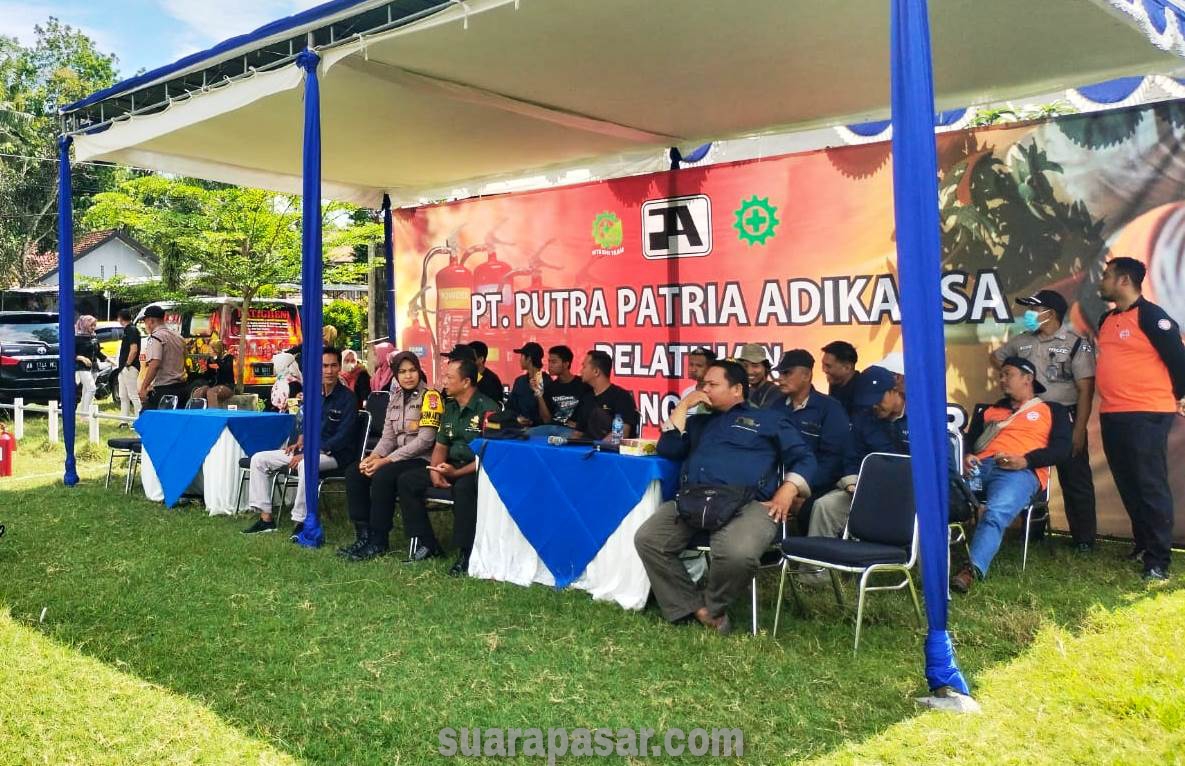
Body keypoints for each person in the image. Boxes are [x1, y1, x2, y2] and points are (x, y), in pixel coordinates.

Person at [634, 360, 816, 634]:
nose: (703, 389)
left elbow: (805, 459)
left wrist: (788, 490)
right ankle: (696, 608)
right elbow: (669, 448)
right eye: (702, 384)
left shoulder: (769, 419)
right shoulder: (698, 422)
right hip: (695, 499)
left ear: (737, 389)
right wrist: (683, 406)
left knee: (738, 554)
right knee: (649, 539)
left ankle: (714, 606)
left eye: (712, 384)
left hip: (749, 503)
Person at [1094, 257, 1185, 581]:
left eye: (1107, 275)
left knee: (1149, 484)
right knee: (1129, 484)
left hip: (1147, 413)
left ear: (1124, 281)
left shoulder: (1152, 317)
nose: (1101, 280)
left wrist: (1173, 397)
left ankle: (1159, 560)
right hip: (1113, 413)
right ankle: (1144, 544)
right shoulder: (1107, 319)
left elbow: (1179, 361)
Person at [951, 357, 1071, 593]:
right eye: (1001, 375)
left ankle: (970, 570)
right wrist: (965, 456)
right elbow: (966, 441)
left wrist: (1026, 460)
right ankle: (917, 555)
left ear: (1028, 378)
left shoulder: (1052, 410)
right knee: (937, 494)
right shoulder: (989, 410)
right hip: (979, 467)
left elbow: (1062, 450)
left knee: (996, 511)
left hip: (1019, 472)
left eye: (1007, 374)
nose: (1001, 379)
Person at [992, 289, 1097, 552]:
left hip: (1064, 414)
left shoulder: (1076, 343)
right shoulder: (1022, 341)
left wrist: (1080, 428)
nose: (1029, 314)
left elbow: (1086, 388)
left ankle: (1084, 540)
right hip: (1030, 416)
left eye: (1034, 309)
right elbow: (996, 357)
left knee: (1075, 477)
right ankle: (1033, 530)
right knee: (1028, 469)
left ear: (1049, 313)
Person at [397, 357, 500, 575]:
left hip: (477, 468)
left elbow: (489, 455)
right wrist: (435, 471)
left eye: (449, 377)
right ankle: (428, 543)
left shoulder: (489, 409)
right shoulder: (450, 408)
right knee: (407, 481)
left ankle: (466, 553)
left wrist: (456, 472)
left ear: (466, 382)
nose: (444, 381)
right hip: (449, 465)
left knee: (463, 488)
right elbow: (441, 445)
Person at [244, 348, 359, 537]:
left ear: (339, 367)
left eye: (333, 366)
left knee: (306, 465)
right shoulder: (314, 397)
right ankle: (266, 519)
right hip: (309, 450)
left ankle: (302, 521)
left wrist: (310, 452)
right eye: (324, 366)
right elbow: (307, 424)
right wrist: (300, 441)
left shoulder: (348, 398)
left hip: (336, 455)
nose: (328, 371)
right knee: (259, 459)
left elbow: (343, 437)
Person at [341, 351, 444, 560]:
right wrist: (374, 457)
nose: (408, 376)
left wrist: (385, 460)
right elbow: (388, 437)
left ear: (419, 371)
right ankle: (364, 534)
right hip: (396, 457)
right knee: (355, 471)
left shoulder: (430, 397)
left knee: (383, 475)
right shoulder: (394, 398)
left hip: (421, 459)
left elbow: (425, 440)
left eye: (412, 370)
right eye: (402, 372)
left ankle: (379, 540)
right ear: (395, 375)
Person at [807, 366, 907, 539]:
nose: (874, 405)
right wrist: (851, 483)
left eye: (878, 399)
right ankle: (814, 566)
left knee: (926, 513)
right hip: (866, 489)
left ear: (894, 390)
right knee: (824, 505)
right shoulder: (863, 418)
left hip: (910, 493)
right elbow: (851, 457)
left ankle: (929, 565)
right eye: (868, 401)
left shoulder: (922, 417)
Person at [771, 349, 850, 530]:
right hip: (777, 484)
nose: (780, 378)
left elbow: (833, 459)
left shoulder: (830, 408)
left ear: (806, 375)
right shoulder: (774, 407)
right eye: (779, 373)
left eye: (787, 373)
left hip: (816, 486)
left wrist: (798, 488)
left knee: (812, 508)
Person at [572, 349, 639, 440]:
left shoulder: (621, 397)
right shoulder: (586, 398)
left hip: (609, 452)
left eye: (584, 367)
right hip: (586, 450)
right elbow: (578, 433)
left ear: (596, 371)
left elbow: (621, 433)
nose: (581, 371)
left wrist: (599, 447)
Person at [531, 344, 590, 437]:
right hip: (552, 428)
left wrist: (580, 426)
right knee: (526, 435)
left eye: (554, 362)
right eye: (549, 362)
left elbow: (591, 413)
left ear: (566, 364)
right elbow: (546, 420)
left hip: (572, 431)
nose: (550, 365)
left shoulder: (583, 385)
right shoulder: (550, 387)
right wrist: (539, 394)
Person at [138, 305, 188, 409]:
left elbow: (155, 364)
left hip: (164, 389)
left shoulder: (156, 337)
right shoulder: (178, 337)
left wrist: (144, 388)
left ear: (151, 321)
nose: (145, 326)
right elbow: (185, 361)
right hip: (182, 388)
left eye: (145, 322)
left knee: (147, 421)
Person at [505, 342, 548, 426]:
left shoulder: (547, 382)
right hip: (518, 429)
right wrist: (517, 418)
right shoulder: (519, 381)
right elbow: (509, 407)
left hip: (540, 431)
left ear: (529, 359)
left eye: (521, 356)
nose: (520, 359)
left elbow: (548, 415)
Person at [821, 340, 862, 415]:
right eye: (823, 364)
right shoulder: (836, 382)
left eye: (828, 366)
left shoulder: (862, 390)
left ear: (847, 368)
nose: (824, 370)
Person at [114, 309, 141, 420]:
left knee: (133, 395)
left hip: (130, 367)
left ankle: (138, 419)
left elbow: (134, 349)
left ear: (120, 318)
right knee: (123, 395)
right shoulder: (127, 330)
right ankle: (124, 420)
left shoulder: (132, 330)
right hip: (123, 367)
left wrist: (127, 364)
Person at [73, 315, 103, 415]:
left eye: (95, 325)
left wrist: (109, 359)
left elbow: (98, 353)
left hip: (93, 367)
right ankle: (85, 413)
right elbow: (70, 354)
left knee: (86, 390)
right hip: (81, 367)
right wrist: (81, 358)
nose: (93, 328)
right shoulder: (76, 338)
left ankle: (84, 413)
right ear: (85, 325)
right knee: (91, 389)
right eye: (91, 325)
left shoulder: (94, 337)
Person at [737, 343, 780, 408]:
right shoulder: (745, 392)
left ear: (765, 368)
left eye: (755, 366)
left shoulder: (776, 392)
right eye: (745, 366)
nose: (749, 371)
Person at [466, 340, 505, 404]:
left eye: (470, 357)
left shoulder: (491, 380)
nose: (466, 360)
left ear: (481, 359)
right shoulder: (463, 376)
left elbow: (495, 407)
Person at [681, 347, 717, 415]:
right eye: (691, 365)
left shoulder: (717, 394)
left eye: (699, 366)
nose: (693, 369)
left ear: (710, 368)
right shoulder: (687, 392)